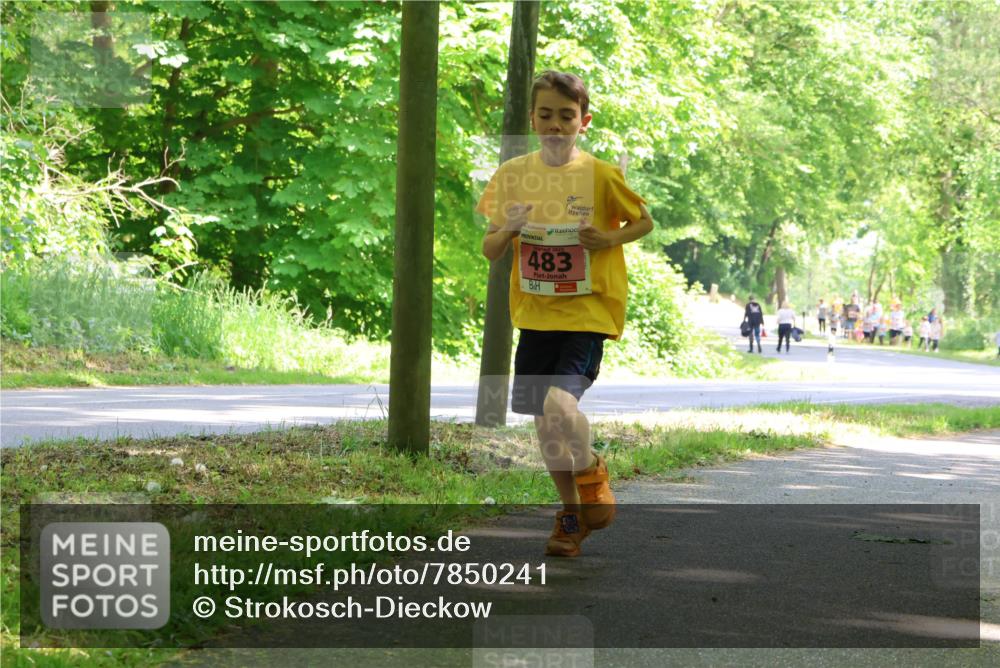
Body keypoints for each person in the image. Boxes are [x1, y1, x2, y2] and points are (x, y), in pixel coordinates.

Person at [478, 70, 653, 557]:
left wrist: (608, 238)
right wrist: (509, 229)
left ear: (584, 121)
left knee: (560, 407)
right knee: (543, 421)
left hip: (587, 312)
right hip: (535, 314)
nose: (556, 125)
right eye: (547, 115)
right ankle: (570, 513)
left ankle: (593, 474)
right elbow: (490, 249)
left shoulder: (600, 175)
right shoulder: (514, 175)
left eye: (567, 116)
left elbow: (645, 221)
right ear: (533, 118)